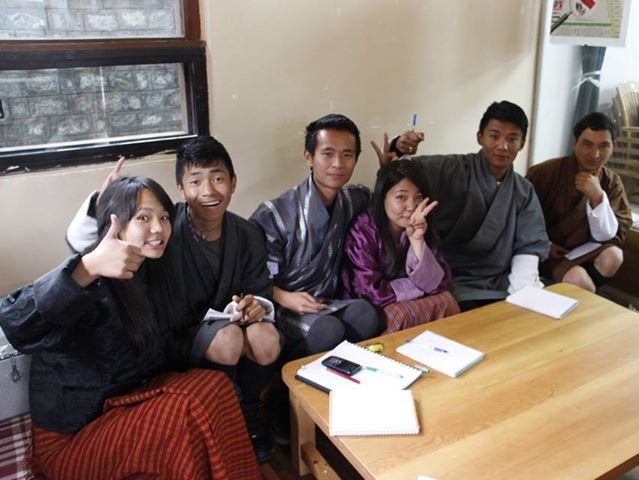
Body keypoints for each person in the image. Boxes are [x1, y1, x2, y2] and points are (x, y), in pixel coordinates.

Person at [0, 177, 261, 479]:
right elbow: (15, 322)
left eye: (164, 217)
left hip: (125, 410)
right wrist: (87, 267)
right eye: (143, 218)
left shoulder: (154, 274)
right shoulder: (88, 281)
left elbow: (169, 344)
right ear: (116, 224)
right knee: (179, 413)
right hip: (74, 439)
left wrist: (232, 317)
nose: (158, 228)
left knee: (215, 386)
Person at [65, 137, 281, 462]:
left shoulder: (247, 233)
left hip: (232, 324)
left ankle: (249, 414)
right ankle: (226, 417)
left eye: (218, 178)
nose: (208, 190)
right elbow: (91, 246)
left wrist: (254, 305)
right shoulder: (165, 228)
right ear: (180, 188)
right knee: (228, 339)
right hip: (178, 333)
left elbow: (260, 289)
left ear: (233, 183)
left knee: (266, 338)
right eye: (196, 181)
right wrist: (104, 208)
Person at [381, 101, 549, 311]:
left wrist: (523, 292)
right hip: (450, 276)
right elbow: (405, 174)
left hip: (501, 279)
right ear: (480, 137)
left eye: (512, 139)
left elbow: (529, 246)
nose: (503, 146)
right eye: (494, 136)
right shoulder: (451, 169)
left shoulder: (523, 191)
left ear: (522, 143)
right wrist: (399, 150)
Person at [250, 114, 379, 359]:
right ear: (308, 156)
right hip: (282, 306)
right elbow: (252, 276)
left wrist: (389, 170)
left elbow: (387, 204)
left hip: (324, 301)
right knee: (327, 329)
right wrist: (285, 298)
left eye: (347, 155)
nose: (338, 164)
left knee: (365, 313)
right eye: (328, 153)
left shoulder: (353, 200)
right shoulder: (275, 213)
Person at [341, 159, 460, 333]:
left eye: (418, 197)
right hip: (370, 307)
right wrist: (421, 285)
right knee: (402, 313)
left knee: (447, 300)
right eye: (401, 197)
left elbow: (441, 281)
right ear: (382, 197)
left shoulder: (421, 224)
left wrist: (417, 241)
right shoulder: (363, 229)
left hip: (402, 298)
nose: (412, 206)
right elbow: (371, 292)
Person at [526, 112, 632, 292]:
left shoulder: (611, 181)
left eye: (604, 146)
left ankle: (582, 292)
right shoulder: (545, 172)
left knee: (613, 256)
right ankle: (583, 292)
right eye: (587, 144)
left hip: (586, 249)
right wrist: (544, 244)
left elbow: (621, 226)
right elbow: (520, 216)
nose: (595, 154)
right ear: (574, 143)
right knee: (579, 280)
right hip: (548, 251)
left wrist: (598, 198)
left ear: (614, 146)